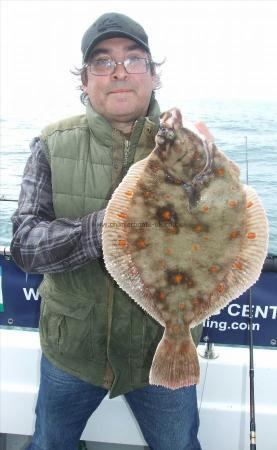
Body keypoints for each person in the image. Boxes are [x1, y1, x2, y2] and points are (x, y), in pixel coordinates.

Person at [11, 12, 203, 450]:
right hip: (72, 350)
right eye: (102, 61)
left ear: (154, 76)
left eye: (134, 60)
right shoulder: (51, 144)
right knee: (49, 443)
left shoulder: (194, 150)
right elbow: (24, 244)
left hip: (163, 348)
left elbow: (222, 233)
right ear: (84, 80)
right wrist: (108, 228)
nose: (119, 72)